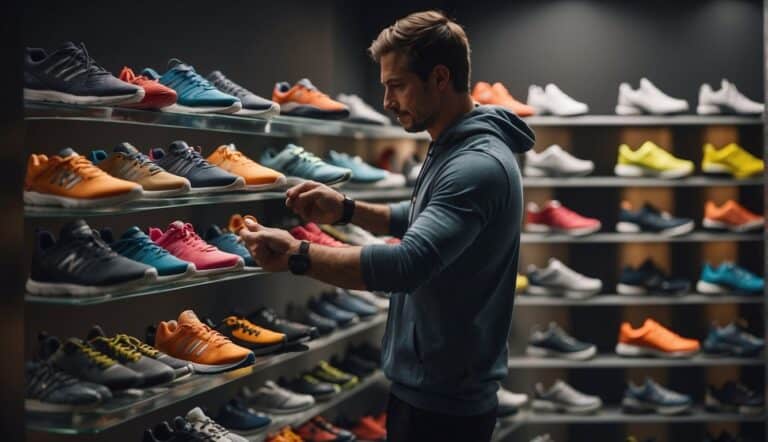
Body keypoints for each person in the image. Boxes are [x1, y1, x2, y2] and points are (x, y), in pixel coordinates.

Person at [239, 10, 534, 442]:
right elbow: (418, 218)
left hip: (445, 406)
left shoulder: (476, 164)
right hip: (429, 389)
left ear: (439, 78)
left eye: (396, 85)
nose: (387, 101)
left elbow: (406, 265)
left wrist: (296, 255)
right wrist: (345, 209)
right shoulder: (452, 146)